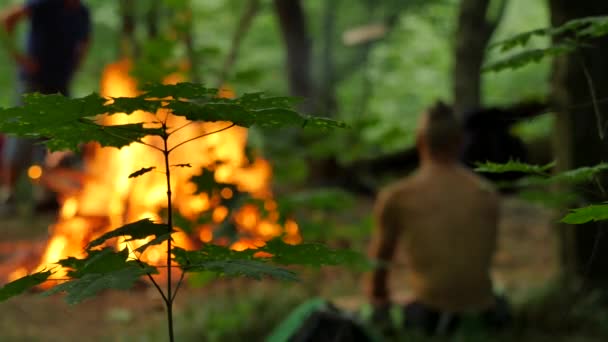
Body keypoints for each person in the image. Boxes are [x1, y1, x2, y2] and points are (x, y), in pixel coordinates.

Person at [367, 101, 510, 335]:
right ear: (460, 142)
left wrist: (379, 304)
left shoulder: (397, 196)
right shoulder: (486, 193)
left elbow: (380, 268)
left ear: (420, 141)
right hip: (483, 314)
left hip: (430, 316)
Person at [0, 0, 90, 213]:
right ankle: (8, 195)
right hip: (33, 82)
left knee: (56, 140)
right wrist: (19, 58)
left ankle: (46, 195)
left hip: (60, 84)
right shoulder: (44, 3)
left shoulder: (82, 12)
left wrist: (75, 66)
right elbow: (5, 20)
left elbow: (85, 41)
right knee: (22, 134)